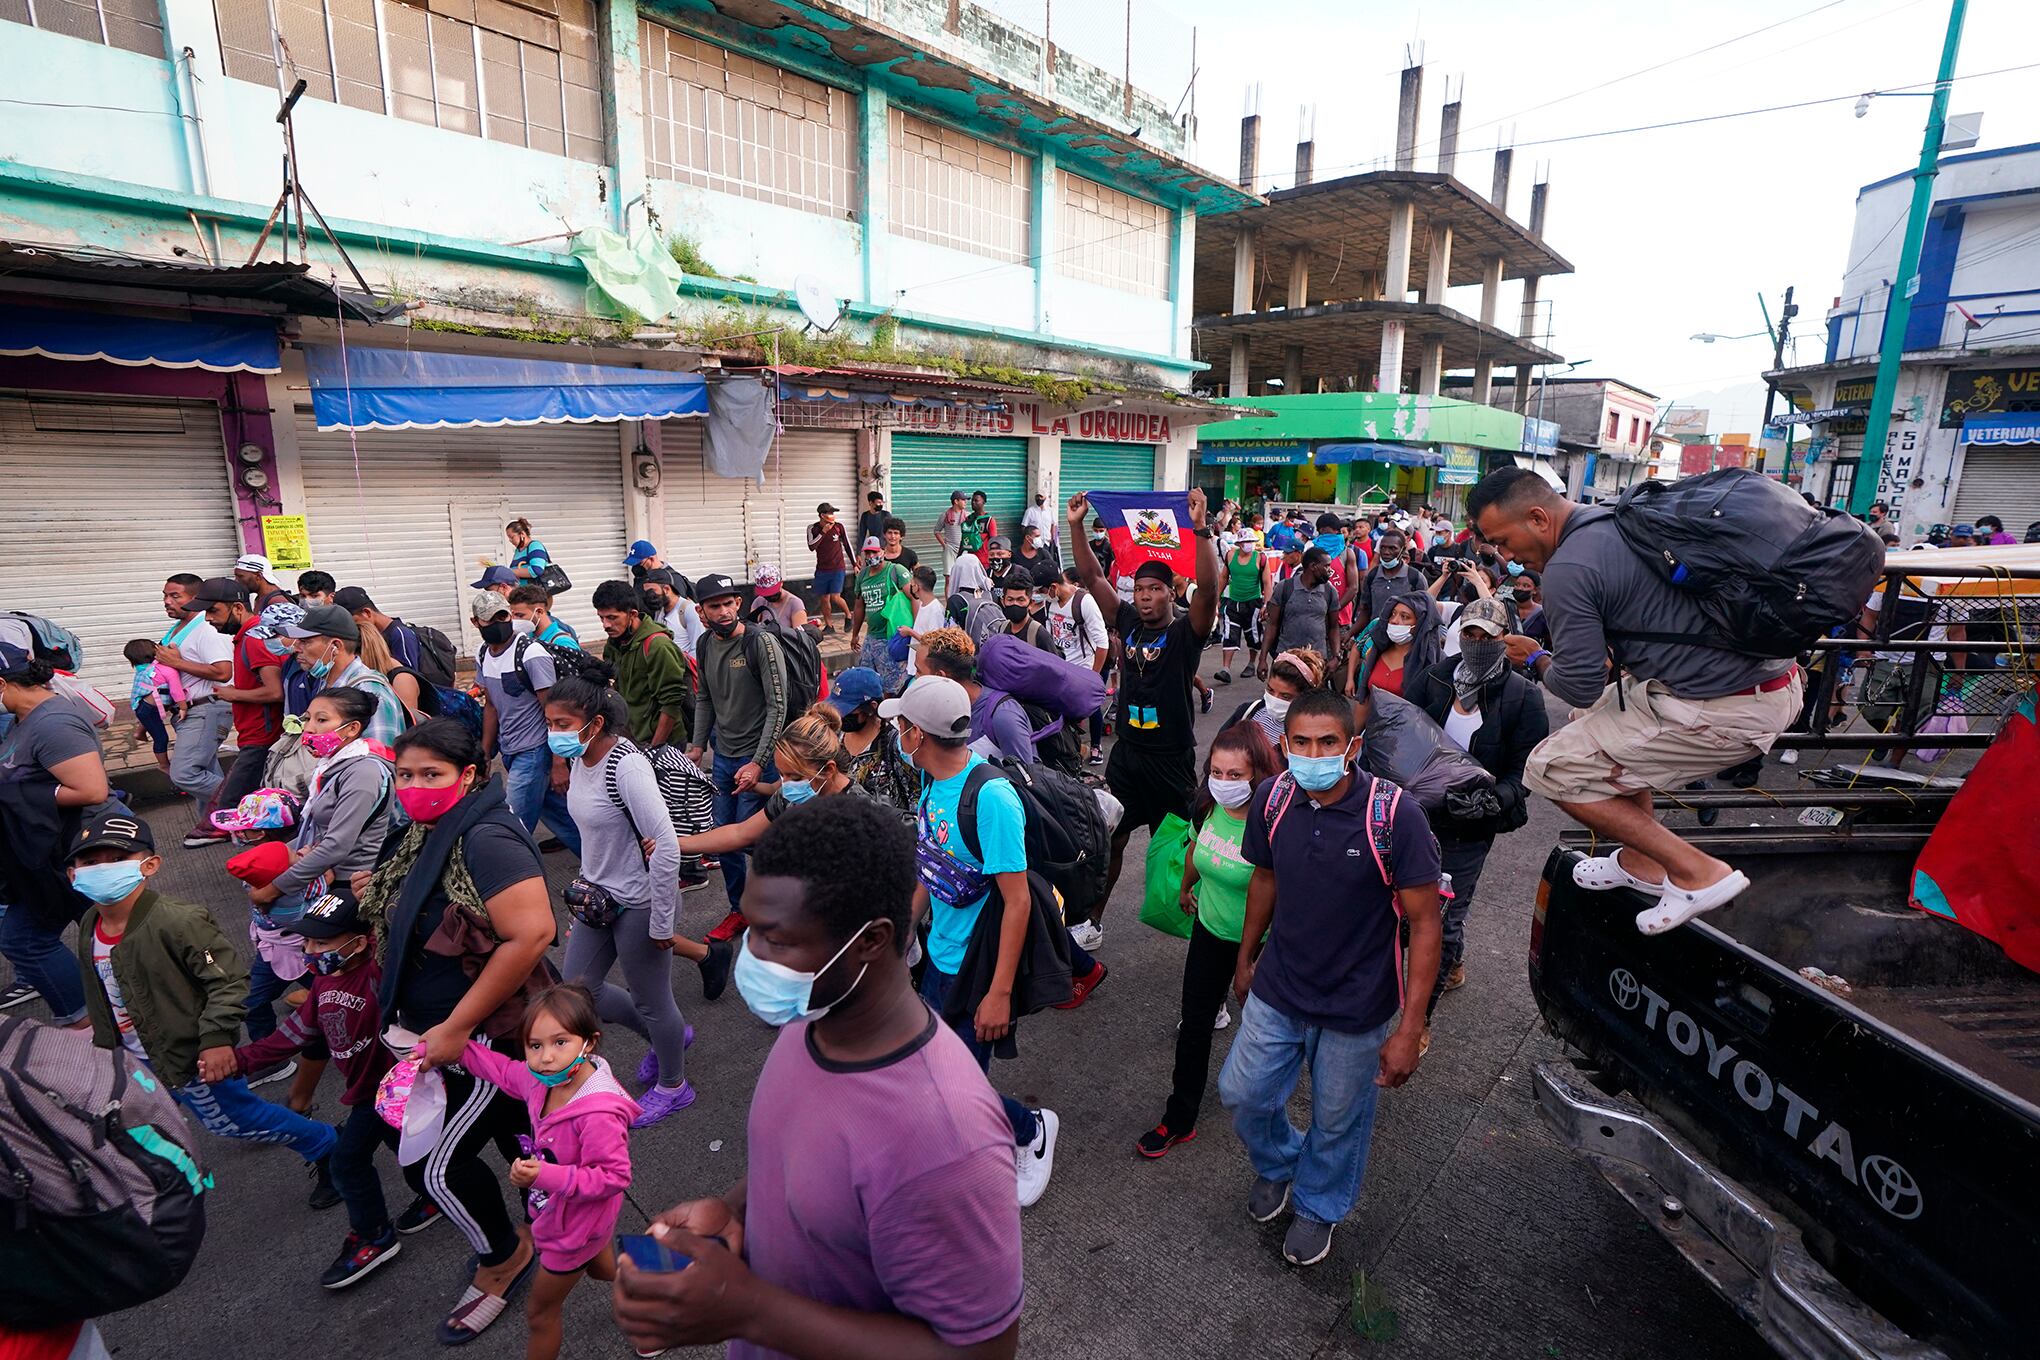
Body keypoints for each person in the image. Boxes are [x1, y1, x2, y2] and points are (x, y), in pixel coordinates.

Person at [610, 797, 1022, 1360]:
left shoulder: (945, 1139)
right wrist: (733, 1212)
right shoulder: (813, 1016)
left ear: (871, 941)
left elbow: (983, 1353)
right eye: (751, 929)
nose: (751, 956)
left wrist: (749, 1311)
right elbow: (814, 1166)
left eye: (776, 939)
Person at [1468, 467, 1803, 933]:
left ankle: (1697, 872)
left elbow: (1579, 682)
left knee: (1550, 768)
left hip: (1729, 709)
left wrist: (1536, 657)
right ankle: (1641, 862)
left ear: (1539, 518)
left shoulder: (1569, 568)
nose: (1505, 557)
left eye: (1503, 541)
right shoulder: (1616, 515)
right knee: (1593, 715)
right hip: (1771, 681)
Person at [1218, 689, 1442, 1266]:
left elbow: (1425, 923)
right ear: (1284, 745)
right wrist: (1246, 956)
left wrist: (1410, 1027)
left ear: (1353, 747)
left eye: (1327, 743)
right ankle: (1280, 1162)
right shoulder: (1272, 799)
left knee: (1339, 1120)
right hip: (1280, 986)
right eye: (1301, 742)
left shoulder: (1394, 816)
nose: (1313, 755)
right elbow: (1265, 878)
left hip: (1356, 1005)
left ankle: (1319, 1204)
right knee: (1242, 1093)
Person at [353, 718, 557, 1343]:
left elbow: (532, 933)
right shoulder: (423, 834)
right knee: (518, 1135)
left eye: (431, 774)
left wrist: (457, 1028)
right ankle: (549, 1216)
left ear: (467, 776)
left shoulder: (486, 838)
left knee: (430, 1168)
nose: (414, 787)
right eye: (404, 774)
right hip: (436, 1028)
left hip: (482, 1035)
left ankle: (504, 1257)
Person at [67, 804, 340, 1202]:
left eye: (117, 859)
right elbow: (102, 990)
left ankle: (328, 1146)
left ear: (150, 865)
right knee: (174, 1115)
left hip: (191, 1056)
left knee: (232, 1120)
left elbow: (227, 981)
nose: (103, 869)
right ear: (73, 874)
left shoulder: (178, 922)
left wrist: (215, 1041)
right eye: (91, 862)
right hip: (141, 1055)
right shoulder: (91, 925)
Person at [881, 677, 1059, 1206]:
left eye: (901, 726)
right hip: (940, 959)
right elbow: (929, 867)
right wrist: (903, 937)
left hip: (978, 968)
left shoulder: (991, 798)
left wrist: (999, 993)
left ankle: (1030, 1130)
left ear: (918, 734)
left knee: (958, 1091)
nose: (896, 734)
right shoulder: (932, 782)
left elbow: (1017, 901)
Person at [231, 888, 431, 1290]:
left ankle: (374, 1237)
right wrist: (241, 1060)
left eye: (321, 943)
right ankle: (436, 1193)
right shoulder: (323, 982)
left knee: (346, 1161)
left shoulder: (379, 976)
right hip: (365, 1088)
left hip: (387, 1089)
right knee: (405, 1145)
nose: (309, 950)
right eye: (307, 941)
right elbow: (296, 1033)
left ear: (360, 942)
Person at [1066, 487, 1221, 947]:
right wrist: (1076, 525)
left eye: (1155, 589)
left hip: (1170, 760)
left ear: (1171, 593)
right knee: (1111, 837)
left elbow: (1210, 590)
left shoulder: (1187, 633)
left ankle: (1200, 924)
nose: (1146, 597)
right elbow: (1093, 577)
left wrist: (1201, 530)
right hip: (1128, 757)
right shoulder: (1129, 622)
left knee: (1175, 846)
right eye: (1140, 589)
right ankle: (1093, 921)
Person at [545, 678, 702, 1123]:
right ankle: (666, 1039)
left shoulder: (626, 767)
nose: (554, 733)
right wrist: (584, 894)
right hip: (599, 899)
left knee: (653, 1000)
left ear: (594, 723)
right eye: (549, 723)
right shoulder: (580, 759)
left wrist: (662, 922)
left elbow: (666, 845)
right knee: (580, 990)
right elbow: (596, 837)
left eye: (563, 724)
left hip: (640, 901)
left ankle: (674, 1085)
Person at [459, 984, 636, 1360]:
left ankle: (656, 1306)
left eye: (560, 1042)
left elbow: (614, 1176)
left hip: (572, 1228)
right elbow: (504, 1071)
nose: (546, 1058)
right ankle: (657, 1305)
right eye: (534, 1045)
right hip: (583, 1218)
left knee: (540, 1314)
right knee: (603, 1268)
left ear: (589, 1042)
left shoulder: (599, 1113)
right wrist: (454, 1046)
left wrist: (543, 1177)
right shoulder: (541, 1081)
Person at [1137, 722, 1282, 1159]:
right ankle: (1179, 1118)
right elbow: (1196, 850)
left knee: (1266, 1035)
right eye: (1216, 772)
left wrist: (1249, 962)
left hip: (1262, 946)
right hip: (1209, 932)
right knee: (1194, 1027)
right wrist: (1186, 888)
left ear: (1258, 775)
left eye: (1235, 775)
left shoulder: (1274, 823)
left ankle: (1267, 1125)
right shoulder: (1207, 807)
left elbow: (1279, 892)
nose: (1223, 782)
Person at [1403, 597, 1547, 1017]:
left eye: (1487, 636)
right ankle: (1451, 964)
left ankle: (1419, 1018)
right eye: (1470, 633)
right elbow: (1401, 734)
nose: (1477, 642)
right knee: (1402, 906)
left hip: (1471, 826)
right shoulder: (1434, 679)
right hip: (1419, 816)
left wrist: (1493, 799)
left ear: (1504, 639)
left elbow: (1527, 770)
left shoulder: (1522, 697)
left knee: (1444, 916)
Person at [241, 687, 394, 1069]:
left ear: (351, 728)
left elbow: (338, 844)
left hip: (347, 884)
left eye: (321, 720)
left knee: (328, 967)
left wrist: (275, 887)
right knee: (321, 969)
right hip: (323, 876)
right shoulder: (335, 764)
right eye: (308, 717)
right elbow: (318, 833)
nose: (309, 727)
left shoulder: (363, 771)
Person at [0, 642, 108, 1028]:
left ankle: (91, 1025)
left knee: (28, 939)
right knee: (31, 939)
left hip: (80, 851)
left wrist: (19, 792)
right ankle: (95, 1021)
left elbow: (92, 789)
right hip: (48, 853)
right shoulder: (24, 718)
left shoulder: (53, 722)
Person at [688, 574, 789, 928]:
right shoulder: (704, 643)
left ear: (739, 604)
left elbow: (778, 706)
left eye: (728, 604)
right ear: (701, 611)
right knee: (723, 836)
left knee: (752, 838)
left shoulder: (760, 643)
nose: (724, 611)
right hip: (723, 757)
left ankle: (776, 903)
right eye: (714, 606)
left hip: (759, 758)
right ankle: (739, 909)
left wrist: (759, 763)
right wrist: (697, 745)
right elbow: (704, 698)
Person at [470, 591, 581, 856]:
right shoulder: (483, 654)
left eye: (502, 616)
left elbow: (554, 712)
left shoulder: (531, 654)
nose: (498, 623)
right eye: (490, 619)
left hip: (534, 751)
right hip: (510, 750)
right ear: (476, 622)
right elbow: (492, 706)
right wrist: (485, 753)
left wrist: (558, 762)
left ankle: (507, 872)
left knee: (513, 827)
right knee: (560, 816)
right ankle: (605, 864)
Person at [151, 574, 237, 845]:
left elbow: (223, 672)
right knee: (206, 770)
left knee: (185, 773)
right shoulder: (179, 628)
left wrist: (177, 663)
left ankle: (247, 808)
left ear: (195, 598)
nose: (167, 601)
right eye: (165, 596)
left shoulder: (207, 629)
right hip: (189, 711)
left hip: (207, 708)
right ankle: (216, 826)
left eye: (175, 596)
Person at [195, 577, 287, 818]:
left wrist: (234, 693)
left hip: (261, 737)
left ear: (237, 608)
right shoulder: (247, 636)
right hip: (254, 734)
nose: (208, 618)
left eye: (213, 611)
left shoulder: (254, 639)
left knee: (229, 809)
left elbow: (275, 691)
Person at [283, 603, 408, 748]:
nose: (296, 648)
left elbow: (378, 755)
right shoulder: (324, 681)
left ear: (335, 646)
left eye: (305, 642)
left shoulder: (370, 692)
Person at [591, 578, 694, 751]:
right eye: (601, 618)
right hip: (631, 737)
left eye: (612, 617)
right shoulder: (614, 643)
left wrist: (655, 749)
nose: (605, 625)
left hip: (662, 743)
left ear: (632, 614)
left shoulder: (658, 646)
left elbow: (671, 703)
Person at [916, 627, 1034, 765]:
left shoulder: (1003, 716)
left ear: (940, 676)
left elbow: (1025, 775)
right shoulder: (940, 708)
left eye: (919, 671)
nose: (915, 677)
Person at [820, 668, 917, 815]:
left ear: (871, 707)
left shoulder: (894, 744)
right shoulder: (834, 736)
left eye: (846, 711)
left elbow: (914, 797)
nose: (839, 715)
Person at [1046, 567, 1110, 763]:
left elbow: (1102, 643)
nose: (1040, 595)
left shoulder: (1084, 602)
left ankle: (1096, 745)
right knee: (1066, 711)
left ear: (1054, 586)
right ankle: (1073, 748)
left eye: (1042, 591)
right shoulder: (1051, 602)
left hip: (1083, 667)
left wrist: (1094, 676)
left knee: (1091, 707)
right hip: (1061, 668)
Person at [1223, 646, 1326, 750]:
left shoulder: (1311, 736)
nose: (1275, 699)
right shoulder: (1248, 712)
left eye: (1285, 696)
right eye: (1270, 690)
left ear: (1305, 698)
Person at [1258, 547, 1338, 679]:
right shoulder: (1285, 588)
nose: (1330, 570)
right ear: (1313, 566)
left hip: (1315, 662)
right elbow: (1272, 625)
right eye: (1326, 566)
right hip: (1286, 660)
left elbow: (1334, 628)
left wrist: (1335, 657)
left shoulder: (1330, 591)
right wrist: (1262, 659)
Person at [846, 537, 913, 691]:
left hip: (891, 637)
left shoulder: (895, 571)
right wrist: (855, 634)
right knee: (866, 682)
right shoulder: (862, 576)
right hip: (871, 638)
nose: (871, 556)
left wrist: (915, 630)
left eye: (874, 552)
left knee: (891, 685)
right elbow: (859, 606)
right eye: (868, 553)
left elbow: (914, 598)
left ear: (883, 551)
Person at [1345, 593, 1439, 700]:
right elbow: (1364, 700)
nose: (1394, 621)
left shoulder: (1428, 661)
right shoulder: (1378, 649)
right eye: (1393, 614)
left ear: (1420, 624)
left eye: (1404, 617)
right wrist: (1350, 679)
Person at [123, 636, 185, 776]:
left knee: (151, 720)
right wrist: (183, 707)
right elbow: (176, 691)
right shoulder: (167, 670)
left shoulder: (142, 668)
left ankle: (140, 732)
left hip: (144, 707)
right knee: (161, 738)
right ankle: (164, 765)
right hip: (149, 710)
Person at [1353, 524, 1430, 634]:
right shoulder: (1372, 576)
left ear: (1402, 550)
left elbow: (1424, 613)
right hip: (1377, 636)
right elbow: (1366, 611)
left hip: (1403, 638)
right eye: (1383, 548)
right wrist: (1350, 634)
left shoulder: (1415, 578)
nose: (1386, 552)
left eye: (1392, 548)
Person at [333, 586, 424, 673]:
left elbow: (409, 676)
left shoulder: (401, 635)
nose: (350, 628)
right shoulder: (374, 635)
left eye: (353, 622)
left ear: (366, 613)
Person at [1215, 530, 1265, 684]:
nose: (1249, 545)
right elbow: (1223, 577)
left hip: (1253, 602)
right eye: (1246, 542)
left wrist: (1266, 604)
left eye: (1251, 542)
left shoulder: (1260, 558)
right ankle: (1225, 669)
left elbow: (1267, 582)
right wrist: (1217, 598)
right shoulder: (1230, 556)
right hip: (1233, 602)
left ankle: (1251, 663)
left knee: (1253, 635)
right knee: (1229, 633)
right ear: (1239, 544)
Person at [807, 502, 852, 632]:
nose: (832, 515)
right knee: (824, 598)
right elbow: (811, 546)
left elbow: (847, 545)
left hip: (838, 568)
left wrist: (854, 564)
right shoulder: (812, 528)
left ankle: (849, 616)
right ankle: (829, 625)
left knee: (835, 597)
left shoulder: (838, 527)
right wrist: (823, 532)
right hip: (822, 569)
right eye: (830, 513)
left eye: (833, 513)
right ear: (822, 515)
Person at [636, 567, 699, 657]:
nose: (649, 596)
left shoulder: (688, 610)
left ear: (666, 589)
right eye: (646, 592)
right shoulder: (659, 611)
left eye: (652, 591)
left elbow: (697, 648)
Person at [899, 564, 948, 679]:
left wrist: (910, 632)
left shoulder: (936, 610)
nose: (911, 586)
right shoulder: (922, 604)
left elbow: (933, 642)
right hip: (915, 667)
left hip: (924, 671)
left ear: (917, 587)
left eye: (912, 583)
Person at [944, 552, 1005, 645]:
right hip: (992, 647)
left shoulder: (955, 601)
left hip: (967, 650)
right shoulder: (992, 595)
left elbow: (949, 635)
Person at [507, 584, 584, 655]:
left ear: (539, 611)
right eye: (512, 615)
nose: (514, 619)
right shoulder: (527, 637)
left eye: (520, 615)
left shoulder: (563, 643)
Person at [747, 564, 809, 633]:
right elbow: (751, 629)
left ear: (781, 583)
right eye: (766, 595)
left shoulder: (795, 604)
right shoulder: (759, 602)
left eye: (773, 592)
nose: (770, 597)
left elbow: (802, 635)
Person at [499, 518, 553, 586]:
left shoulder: (535, 546)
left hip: (536, 591)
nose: (510, 540)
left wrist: (509, 572)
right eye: (509, 538)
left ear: (522, 534)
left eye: (512, 537)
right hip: (524, 591)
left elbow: (537, 570)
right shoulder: (518, 551)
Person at [935, 490, 969, 580]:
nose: (965, 502)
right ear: (956, 501)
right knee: (949, 578)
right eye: (963, 500)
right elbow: (937, 531)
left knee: (963, 577)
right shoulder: (945, 515)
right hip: (950, 549)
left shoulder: (968, 516)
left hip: (964, 549)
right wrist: (945, 545)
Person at [1014, 524, 1058, 588]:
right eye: (1037, 536)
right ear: (1028, 538)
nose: (1039, 539)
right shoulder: (1015, 554)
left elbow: (1052, 569)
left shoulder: (1043, 553)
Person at [963, 490, 998, 569]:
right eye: (972, 500)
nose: (973, 503)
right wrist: (958, 557)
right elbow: (964, 539)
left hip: (984, 562)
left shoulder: (989, 520)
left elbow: (994, 542)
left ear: (983, 502)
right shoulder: (969, 519)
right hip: (970, 560)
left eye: (976, 500)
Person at [1021, 489, 1058, 555]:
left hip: (1047, 542)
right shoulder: (1030, 511)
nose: (1038, 498)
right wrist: (1029, 541)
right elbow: (1023, 527)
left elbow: (1053, 525)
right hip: (1035, 544)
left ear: (1045, 498)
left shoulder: (1050, 511)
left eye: (1041, 497)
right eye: (1037, 496)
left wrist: (1052, 538)